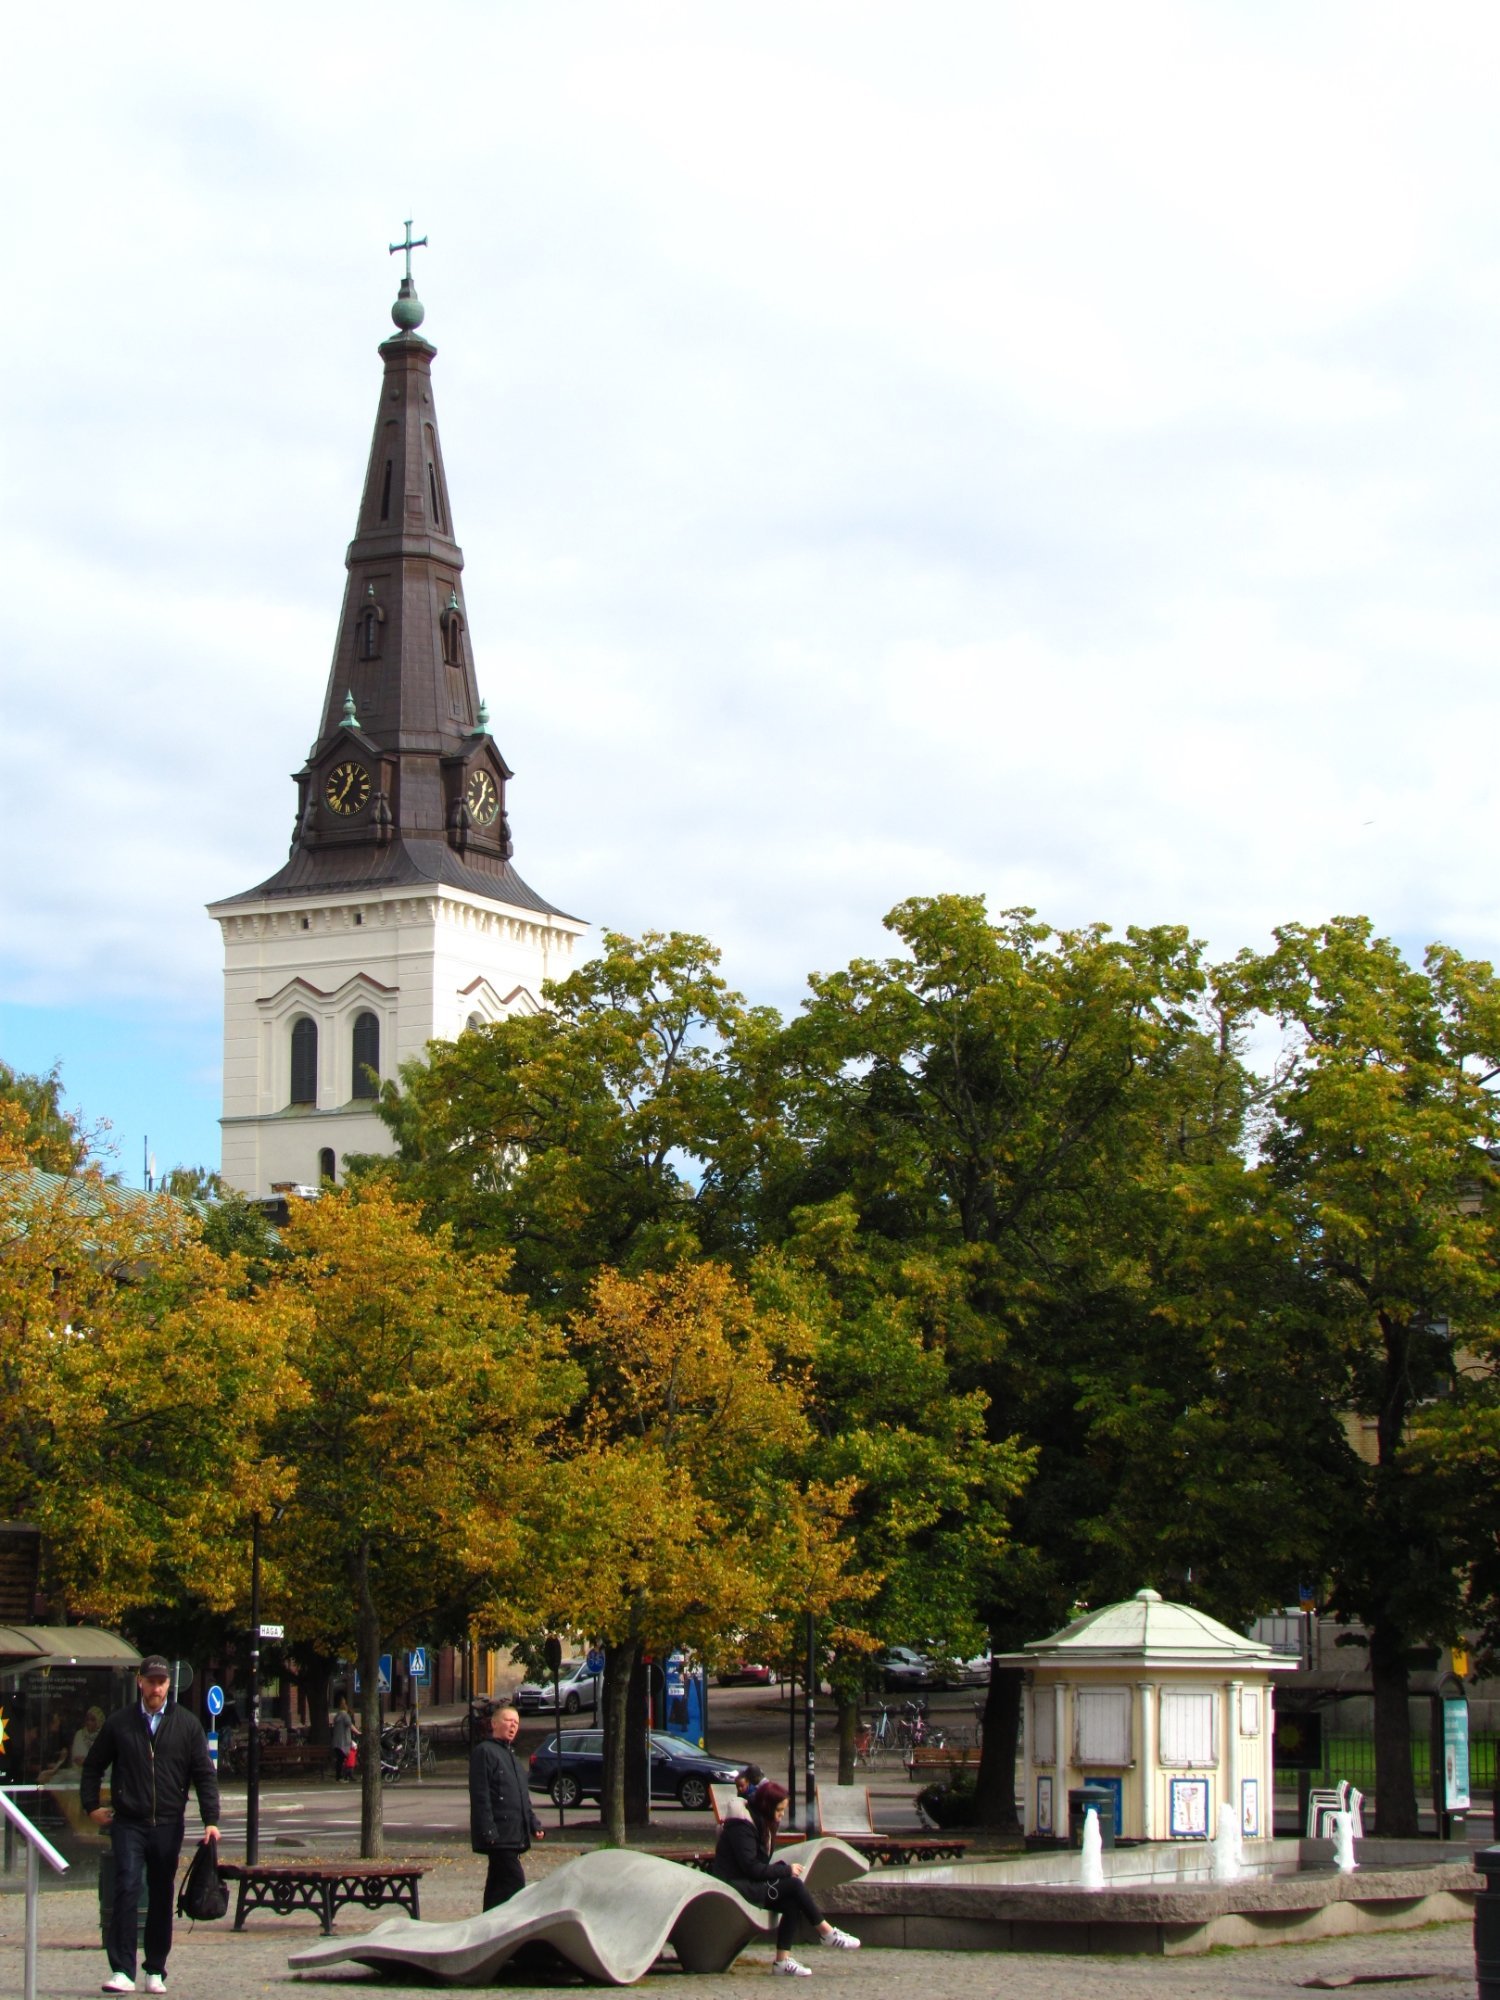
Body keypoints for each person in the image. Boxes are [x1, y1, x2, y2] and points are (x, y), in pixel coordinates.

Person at [81, 1655, 221, 1996]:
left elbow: (204, 1774)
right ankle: (121, 1970)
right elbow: (93, 1765)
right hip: (129, 1821)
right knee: (126, 1888)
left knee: (161, 1895)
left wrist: (211, 1820)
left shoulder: (187, 1725)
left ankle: (155, 1968)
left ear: (168, 1685)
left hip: (168, 1823)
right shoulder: (120, 1723)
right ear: (139, 1682)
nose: (156, 1687)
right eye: (150, 1681)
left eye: (161, 1682)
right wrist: (91, 1807)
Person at [710, 1779, 860, 1976]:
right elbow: (751, 1868)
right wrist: (785, 1871)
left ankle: (782, 1962)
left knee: (791, 1902)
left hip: (747, 1882)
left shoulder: (760, 1822)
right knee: (794, 1885)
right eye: (779, 1810)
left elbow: (756, 1865)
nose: (781, 1815)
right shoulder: (742, 1826)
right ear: (767, 1807)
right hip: (734, 1886)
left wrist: (779, 1869)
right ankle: (826, 1932)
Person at [468, 1703, 544, 1909]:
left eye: (516, 1723)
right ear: (494, 1723)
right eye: (508, 1721)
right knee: (514, 1882)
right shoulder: (484, 1752)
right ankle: (512, 1927)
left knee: (497, 1886)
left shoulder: (512, 1756)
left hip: (514, 1835)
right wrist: (488, 1830)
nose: (513, 1726)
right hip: (499, 1836)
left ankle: (488, 1925)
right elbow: (480, 1795)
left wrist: (533, 1823)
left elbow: (521, 1797)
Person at [329, 1695, 357, 1783]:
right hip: (343, 1742)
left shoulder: (337, 1716)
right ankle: (342, 1776)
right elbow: (350, 1725)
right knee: (345, 1758)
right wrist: (358, 1732)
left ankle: (340, 1776)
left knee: (339, 1760)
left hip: (336, 1742)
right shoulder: (345, 1716)